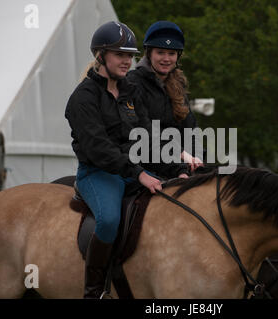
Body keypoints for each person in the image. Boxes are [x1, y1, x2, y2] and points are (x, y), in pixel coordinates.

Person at [65, 21, 189, 299]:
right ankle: (95, 291)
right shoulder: (82, 98)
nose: (127, 61)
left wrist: (178, 170)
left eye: (130, 56)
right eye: (120, 55)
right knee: (109, 220)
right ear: (100, 56)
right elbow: (99, 149)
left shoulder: (129, 92)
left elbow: (148, 139)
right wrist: (140, 174)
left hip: (133, 171)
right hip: (98, 173)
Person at [127, 21, 204, 172]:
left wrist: (196, 157)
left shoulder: (178, 85)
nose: (166, 59)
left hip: (179, 163)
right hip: (144, 163)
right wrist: (182, 156)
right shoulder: (133, 83)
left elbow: (191, 128)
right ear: (149, 53)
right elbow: (144, 133)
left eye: (172, 53)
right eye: (160, 52)